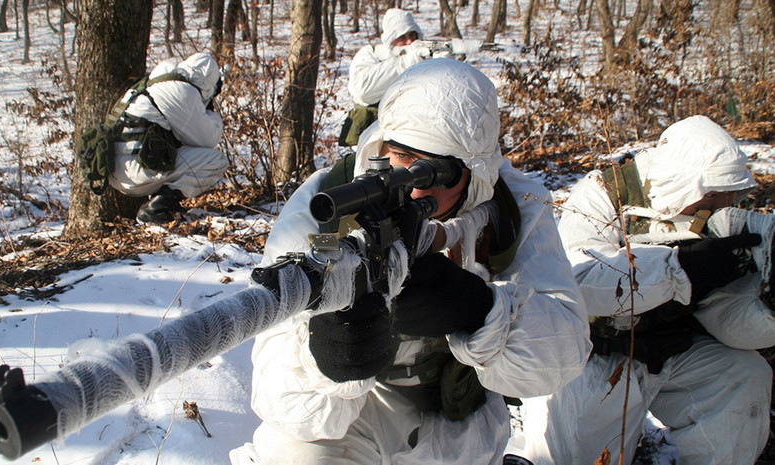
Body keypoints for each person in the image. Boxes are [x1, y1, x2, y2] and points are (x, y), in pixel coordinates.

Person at [230, 59, 591, 464]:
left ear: (477, 174)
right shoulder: (328, 204)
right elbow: (275, 394)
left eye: (440, 172)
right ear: (380, 147)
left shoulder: (514, 208)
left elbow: (568, 352)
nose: (418, 191)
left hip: (456, 417)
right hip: (351, 419)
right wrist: (330, 360)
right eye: (401, 155)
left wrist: (480, 309)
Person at [508, 115, 774, 465]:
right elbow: (580, 280)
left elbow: (727, 318)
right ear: (687, 184)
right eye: (712, 194)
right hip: (596, 355)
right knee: (571, 457)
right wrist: (679, 269)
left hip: (674, 347)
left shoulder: (717, 215)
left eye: (727, 194)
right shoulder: (605, 194)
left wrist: (767, 306)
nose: (721, 203)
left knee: (743, 376)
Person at [108, 52, 228, 225]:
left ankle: (160, 203)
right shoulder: (182, 91)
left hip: (117, 169)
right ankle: (155, 209)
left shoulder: (154, 82)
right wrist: (210, 112)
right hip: (136, 172)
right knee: (215, 160)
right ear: (208, 82)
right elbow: (209, 140)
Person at [339, 8, 436, 147]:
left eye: (412, 35)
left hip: (410, 136)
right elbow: (362, 91)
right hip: (371, 140)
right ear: (391, 38)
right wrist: (404, 63)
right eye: (402, 37)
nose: (409, 41)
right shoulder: (371, 54)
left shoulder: (420, 58)